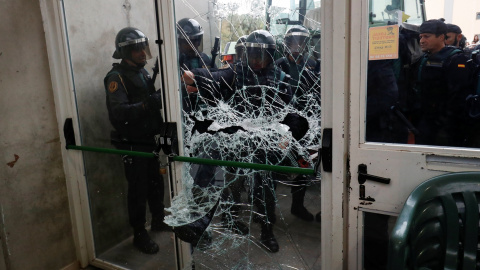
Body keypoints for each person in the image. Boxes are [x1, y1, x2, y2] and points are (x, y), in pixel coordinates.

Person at [182, 30, 293, 253]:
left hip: (265, 143)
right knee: (230, 182)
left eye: (261, 56)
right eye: (252, 55)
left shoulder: (281, 78)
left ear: (271, 56)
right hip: (237, 141)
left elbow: (290, 113)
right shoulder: (236, 72)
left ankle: (266, 230)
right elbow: (209, 76)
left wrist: (284, 136)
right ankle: (225, 219)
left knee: (265, 188)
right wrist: (194, 77)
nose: (256, 61)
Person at [104, 27, 167, 254]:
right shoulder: (116, 77)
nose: (143, 53)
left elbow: (148, 99)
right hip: (132, 142)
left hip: (149, 139)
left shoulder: (143, 72)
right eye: (137, 49)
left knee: (155, 184)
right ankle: (139, 233)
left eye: (144, 47)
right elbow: (119, 112)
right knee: (138, 190)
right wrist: (149, 103)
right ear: (126, 52)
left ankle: (158, 220)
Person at [275, 25, 319, 222]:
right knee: (275, 164)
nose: (297, 45)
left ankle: (297, 206)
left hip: (306, 123)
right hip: (284, 123)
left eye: (301, 42)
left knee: (303, 163)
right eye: (293, 41)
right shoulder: (279, 65)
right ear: (286, 44)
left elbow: (316, 91)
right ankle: (268, 212)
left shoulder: (312, 63)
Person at [412, 19, 471, 147]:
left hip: (445, 127)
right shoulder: (423, 59)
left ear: (441, 37)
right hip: (425, 122)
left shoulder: (456, 59)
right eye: (421, 36)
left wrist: (445, 126)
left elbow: (458, 98)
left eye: (427, 36)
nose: (422, 40)